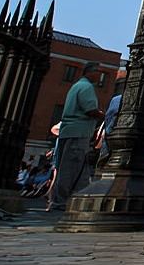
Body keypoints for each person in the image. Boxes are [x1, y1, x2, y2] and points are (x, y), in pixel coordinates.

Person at [46, 60, 104, 211]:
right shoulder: (87, 87)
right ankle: (61, 202)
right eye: (98, 72)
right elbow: (90, 110)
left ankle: (75, 200)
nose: (99, 75)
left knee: (76, 169)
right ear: (90, 72)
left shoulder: (76, 86)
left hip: (69, 132)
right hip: (78, 132)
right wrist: (102, 115)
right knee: (71, 168)